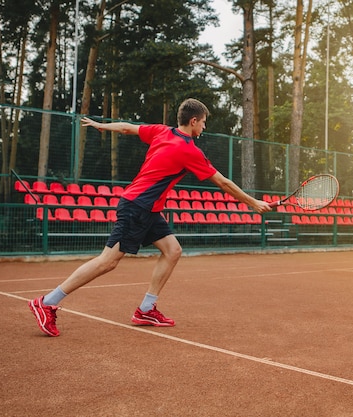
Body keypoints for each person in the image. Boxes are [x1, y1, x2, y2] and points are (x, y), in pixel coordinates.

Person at [28, 98, 271, 337]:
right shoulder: (188, 150)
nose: (204, 127)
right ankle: (47, 302)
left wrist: (102, 126)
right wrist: (254, 202)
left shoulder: (162, 131)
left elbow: (126, 127)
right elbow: (222, 182)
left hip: (149, 209)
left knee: (172, 250)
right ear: (193, 121)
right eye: (204, 123)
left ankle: (145, 309)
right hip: (137, 207)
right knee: (107, 261)